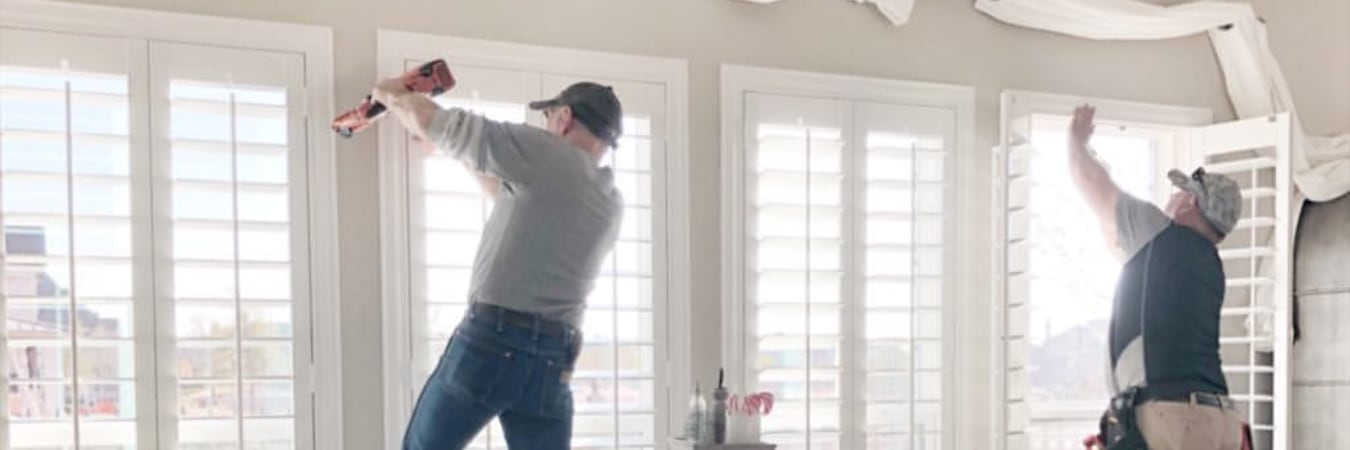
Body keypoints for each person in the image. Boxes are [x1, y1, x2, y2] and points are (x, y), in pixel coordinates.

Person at [373, 76, 625, 450]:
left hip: (492, 342)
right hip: (552, 362)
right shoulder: (609, 202)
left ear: (564, 118)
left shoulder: (545, 153)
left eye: (549, 117)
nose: (546, 126)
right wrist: (451, 152)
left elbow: (442, 123)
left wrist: (392, 95)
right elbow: (511, 196)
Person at [1068, 105, 1247, 449]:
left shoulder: (1158, 233)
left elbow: (1091, 182)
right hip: (1219, 422)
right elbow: (1117, 242)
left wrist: (1076, 142)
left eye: (1180, 191)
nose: (1171, 196)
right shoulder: (1208, 264)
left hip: (1173, 419)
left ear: (1190, 204)